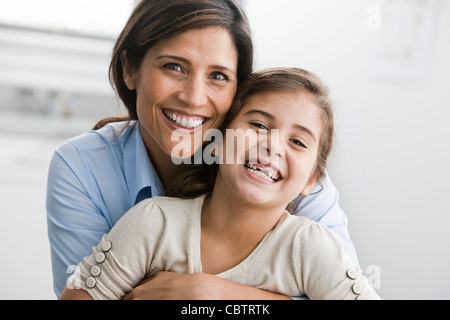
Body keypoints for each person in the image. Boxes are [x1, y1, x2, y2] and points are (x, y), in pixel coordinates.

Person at [47, 0, 358, 299]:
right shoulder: (87, 172)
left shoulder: (288, 177)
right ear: (130, 69)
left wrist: (215, 295)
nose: (194, 98)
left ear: (238, 93)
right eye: (174, 67)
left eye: (218, 76)